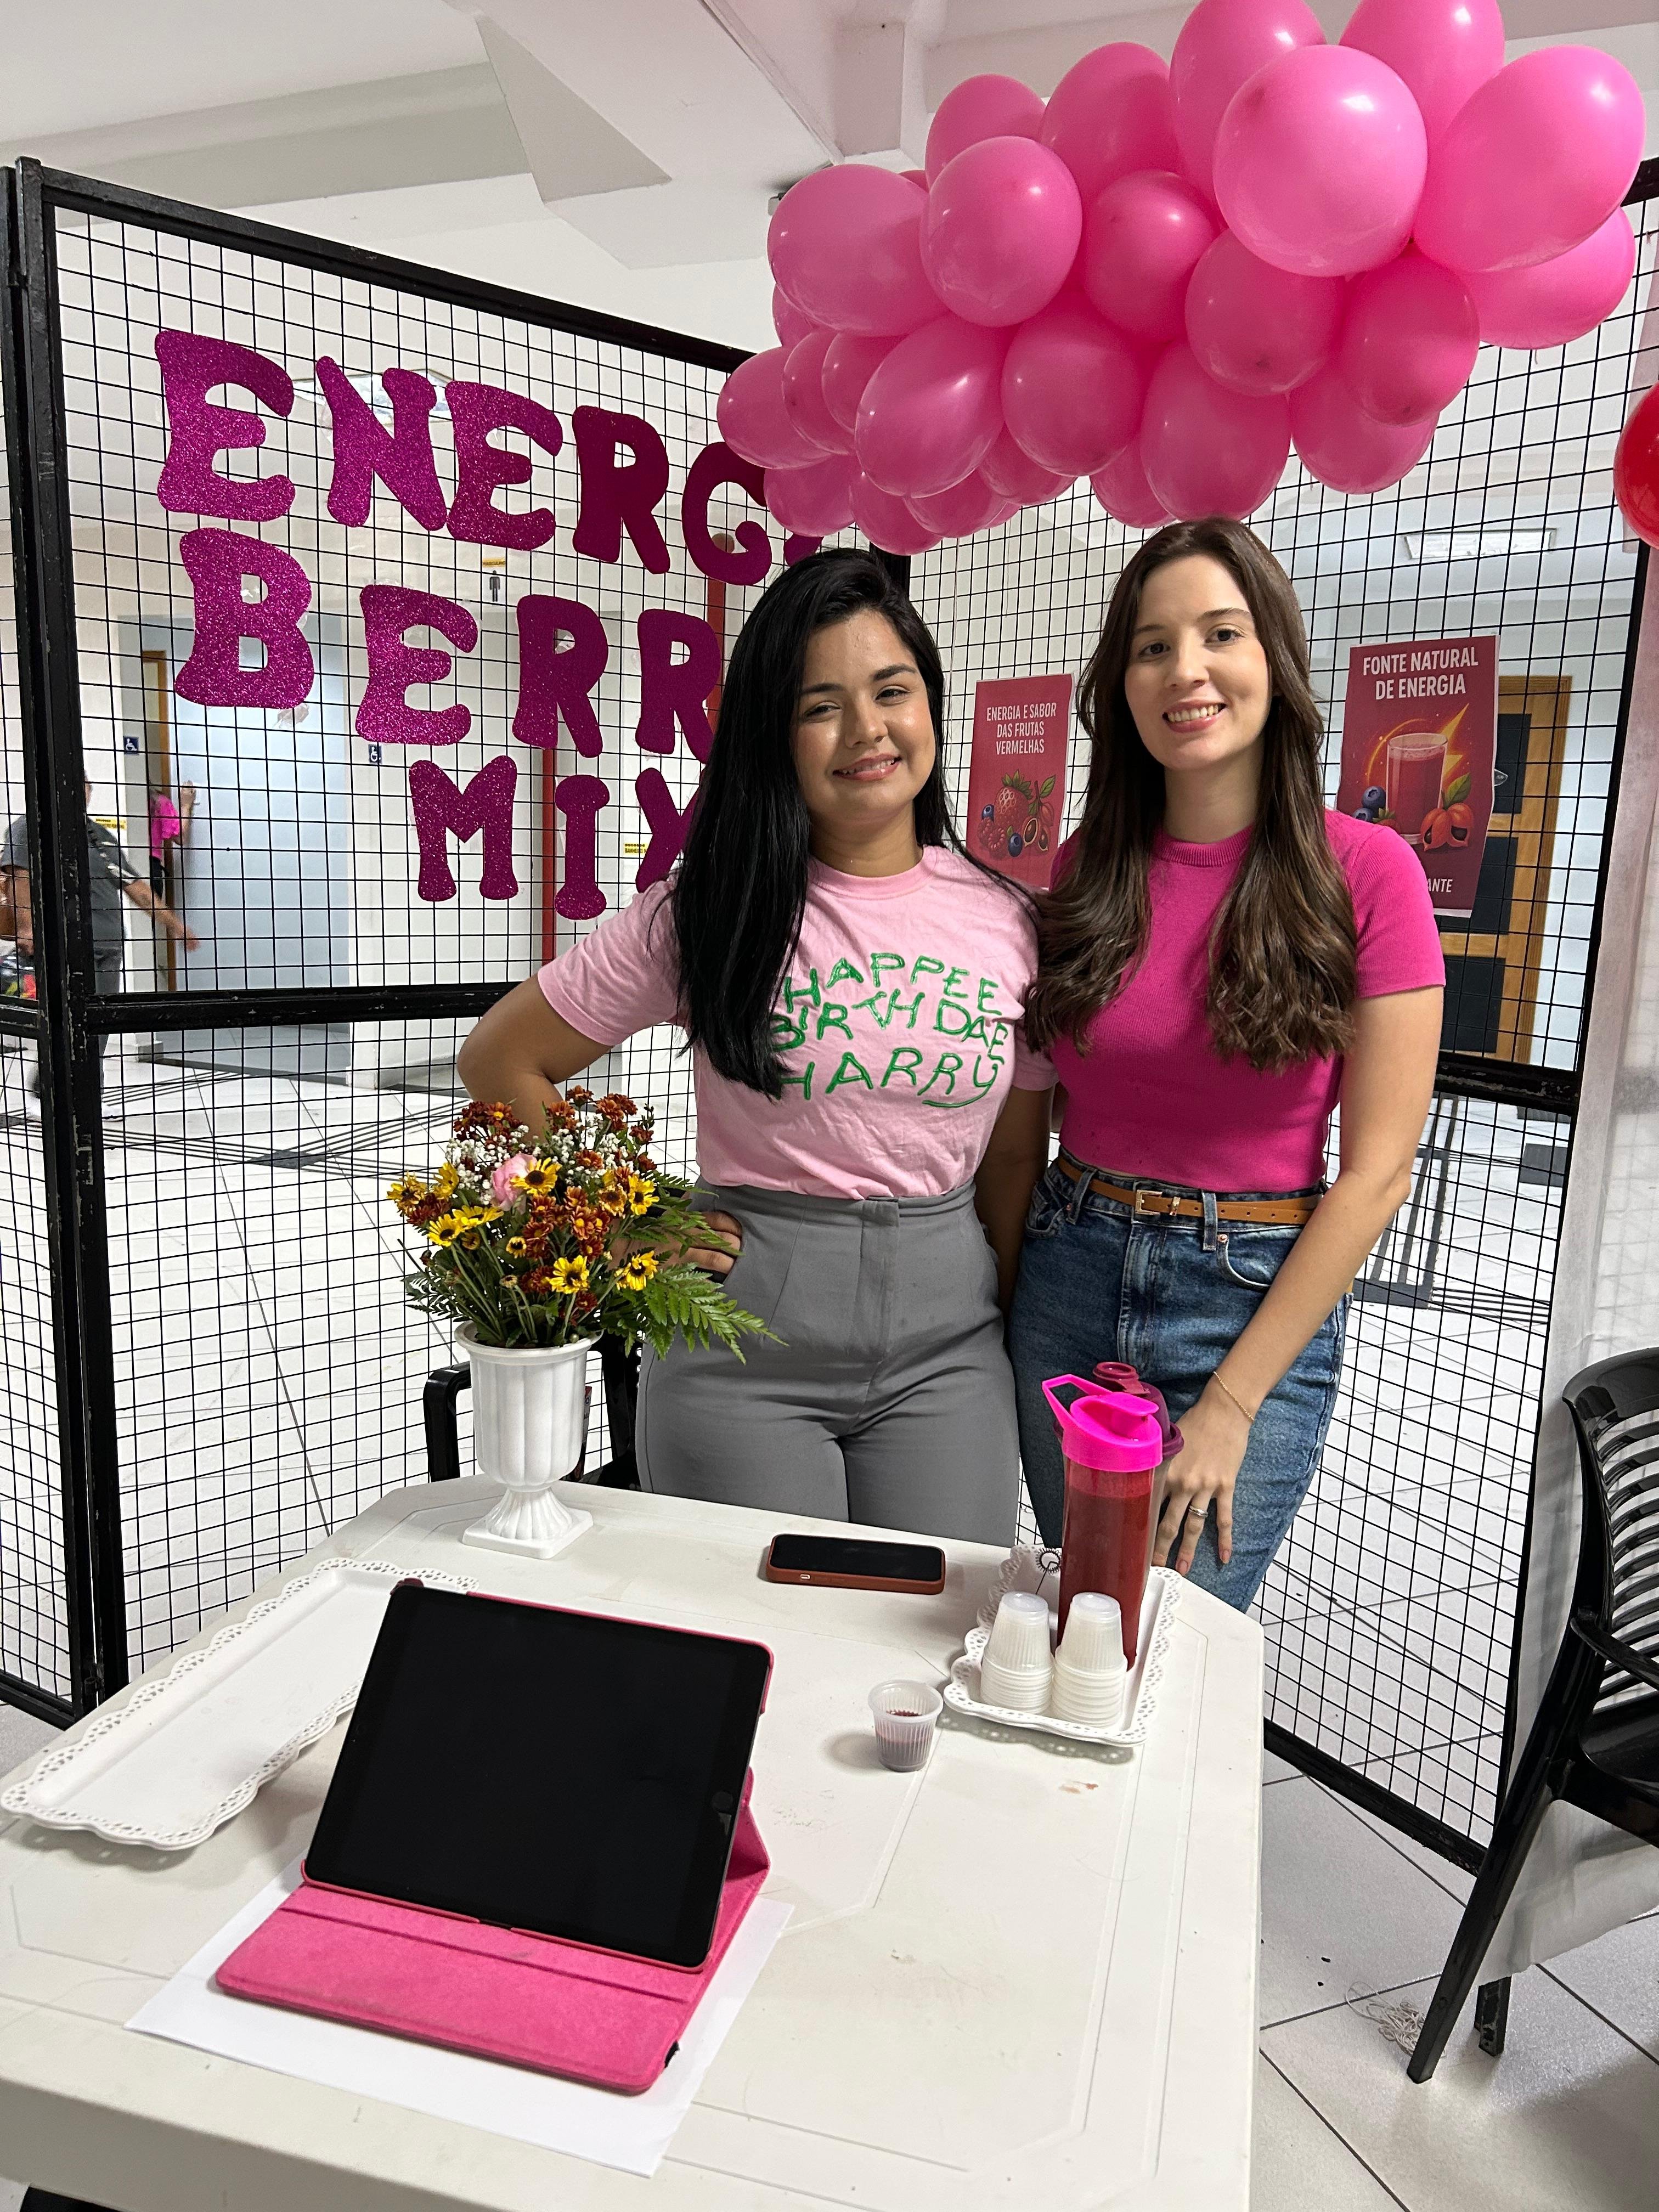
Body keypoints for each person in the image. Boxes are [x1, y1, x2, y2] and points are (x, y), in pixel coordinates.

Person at [457, 549, 1053, 1543]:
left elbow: (1011, 1160)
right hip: (742, 1350)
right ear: (774, 734)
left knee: (945, 1618)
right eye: (820, 706)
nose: (866, 731)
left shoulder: (1009, 921)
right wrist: (630, 1221)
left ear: (931, 704)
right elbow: (498, 1058)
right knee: (757, 1626)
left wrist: (994, 1314)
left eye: (891, 691)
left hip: (948, 1353)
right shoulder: (707, 910)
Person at [1009, 517, 1444, 1608]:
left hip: (1246, 1299)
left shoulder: (1366, 872)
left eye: (1219, 634)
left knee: (1177, 1635)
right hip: (1068, 1272)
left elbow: (1378, 1171)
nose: (1185, 671)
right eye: (1151, 646)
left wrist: (1235, 1404)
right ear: (1121, 683)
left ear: (1274, 659)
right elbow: (1029, 1104)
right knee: (1085, 1618)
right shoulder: (1084, 869)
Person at [0, 782, 199, 1055]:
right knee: (66, 1029)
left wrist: (175, 925)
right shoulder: (29, 827)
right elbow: (18, 876)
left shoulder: (99, 836)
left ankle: (90, 1079)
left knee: (98, 1029)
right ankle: (62, 1074)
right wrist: (26, 929)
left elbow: (136, 887)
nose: (82, 792)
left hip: (108, 949)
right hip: (65, 947)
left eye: (85, 785)